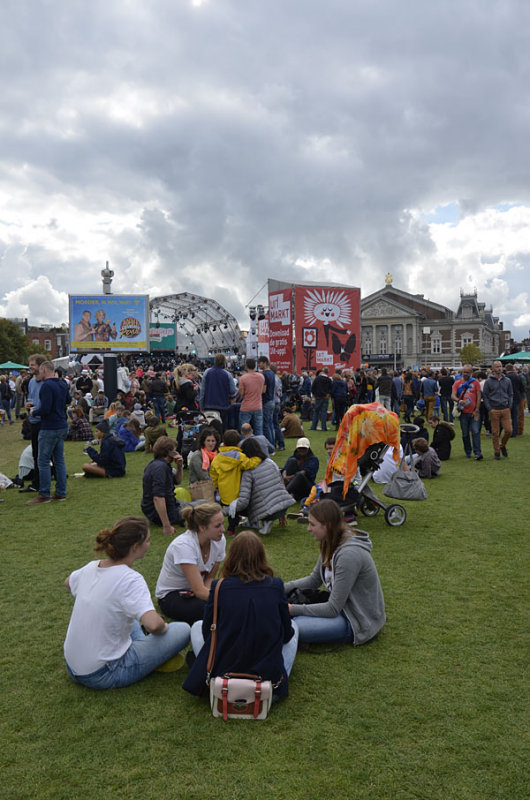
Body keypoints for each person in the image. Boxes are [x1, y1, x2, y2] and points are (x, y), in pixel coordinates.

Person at [64, 516, 190, 689]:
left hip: (73, 666)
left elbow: (68, 582)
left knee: (129, 616)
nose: (149, 544)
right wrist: (164, 628)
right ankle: (153, 653)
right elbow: (154, 625)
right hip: (104, 672)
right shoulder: (131, 579)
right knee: (182, 630)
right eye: (147, 540)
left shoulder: (92, 566)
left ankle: (149, 650)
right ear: (135, 547)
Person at [182, 530, 298, 702]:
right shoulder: (275, 586)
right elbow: (287, 633)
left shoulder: (218, 587)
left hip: (223, 680)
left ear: (232, 556)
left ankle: (213, 675)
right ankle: (274, 683)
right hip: (265, 684)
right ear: (261, 556)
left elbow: (208, 632)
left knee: (198, 626)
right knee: (294, 626)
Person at [284, 499, 386, 646]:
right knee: (287, 621)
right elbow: (313, 580)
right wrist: (276, 587)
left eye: (312, 524)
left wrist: (292, 609)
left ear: (328, 526)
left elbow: (332, 608)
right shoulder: (330, 541)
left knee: (292, 627)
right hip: (342, 609)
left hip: (357, 619)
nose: (308, 529)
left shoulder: (348, 555)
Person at [155, 503, 226, 624]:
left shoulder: (219, 540)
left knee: (226, 593)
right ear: (202, 527)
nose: (223, 529)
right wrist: (227, 602)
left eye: (223, 523)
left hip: (196, 591)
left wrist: (210, 595)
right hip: (172, 595)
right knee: (211, 609)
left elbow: (209, 578)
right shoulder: (184, 546)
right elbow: (198, 590)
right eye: (217, 526)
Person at [26, 361, 71, 505]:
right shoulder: (62, 384)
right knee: (59, 460)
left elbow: (45, 409)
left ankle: (44, 494)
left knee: (43, 461)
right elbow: (68, 400)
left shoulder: (46, 386)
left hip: (49, 427)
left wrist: (34, 411)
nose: (39, 373)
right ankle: (60, 492)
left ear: (44, 370)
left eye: (40, 371)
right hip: (61, 425)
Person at [234, 438, 295, 535]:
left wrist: (230, 508)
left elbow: (244, 501)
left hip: (268, 510)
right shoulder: (270, 462)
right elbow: (280, 484)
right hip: (283, 505)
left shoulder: (248, 471)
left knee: (241, 498)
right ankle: (255, 521)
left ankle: (264, 520)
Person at [210, 429, 262, 534]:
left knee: (229, 509)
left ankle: (231, 527)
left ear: (223, 442)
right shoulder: (240, 456)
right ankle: (231, 528)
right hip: (237, 490)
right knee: (235, 509)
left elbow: (214, 475)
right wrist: (258, 457)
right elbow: (249, 464)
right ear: (238, 443)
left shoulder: (217, 458)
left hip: (224, 490)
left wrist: (216, 486)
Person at [482, 360, 513, 460]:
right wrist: (489, 408)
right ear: (493, 369)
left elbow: (510, 394)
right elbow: (485, 396)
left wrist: (509, 405)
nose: (499, 368)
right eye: (497, 367)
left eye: (500, 366)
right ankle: (497, 452)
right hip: (494, 409)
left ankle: (502, 445)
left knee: (509, 430)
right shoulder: (488, 381)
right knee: (495, 433)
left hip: (505, 408)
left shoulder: (507, 380)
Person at [451, 365, 483, 460]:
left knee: (476, 432)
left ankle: (477, 452)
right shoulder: (457, 383)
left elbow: (478, 396)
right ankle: (468, 451)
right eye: (464, 372)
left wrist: (477, 409)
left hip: (474, 412)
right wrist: (458, 400)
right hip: (463, 412)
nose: (465, 374)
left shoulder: (475, 382)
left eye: (468, 372)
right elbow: (452, 395)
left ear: (471, 373)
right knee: (465, 433)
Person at [281, 437, 319, 502]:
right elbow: (284, 469)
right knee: (291, 461)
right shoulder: (293, 457)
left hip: (306, 487)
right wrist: (285, 477)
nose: (302, 450)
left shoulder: (313, 460)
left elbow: (304, 472)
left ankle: (284, 495)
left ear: (308, 449)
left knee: (299, 475)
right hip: (292, 484)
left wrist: (289, 478)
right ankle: (289, 492)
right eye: (300, 448)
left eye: (304, 448)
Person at [238, 358, 265, 436]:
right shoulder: (261, 376)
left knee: (244, 430)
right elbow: (263, 390)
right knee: (259, 429)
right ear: (255, 365)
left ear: (246, 366)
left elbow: (241, 393)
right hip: (258, 406)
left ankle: (245, 446)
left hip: (246, 406)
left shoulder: (243, 378)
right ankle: (260, 446)